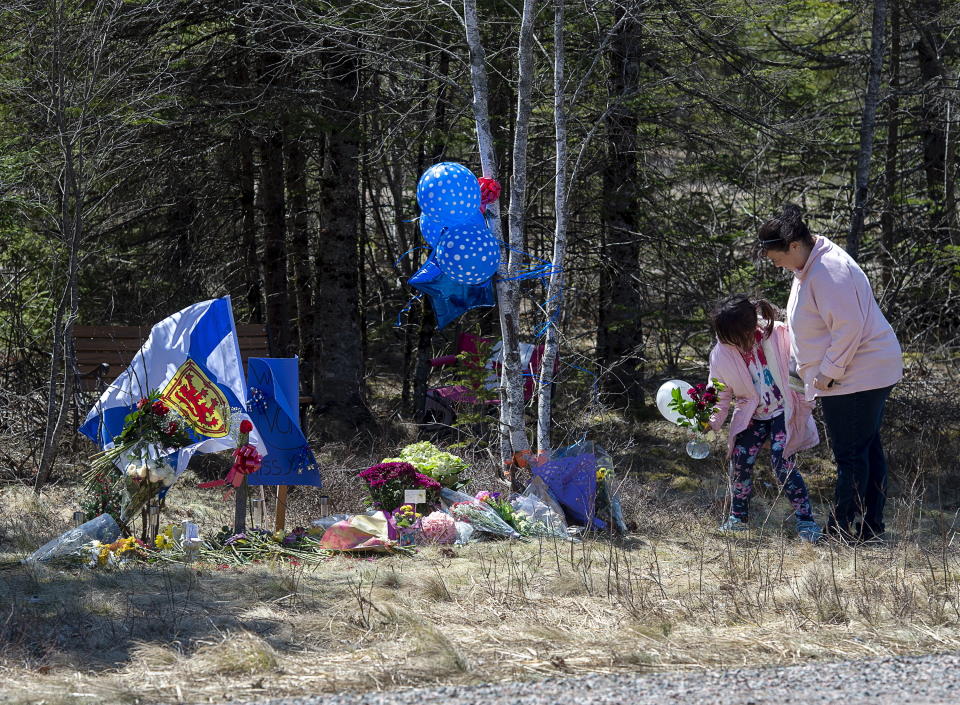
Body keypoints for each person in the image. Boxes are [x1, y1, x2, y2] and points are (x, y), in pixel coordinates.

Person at [758, 204, 903, 542]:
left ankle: (839, 530)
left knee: (851, 455)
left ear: (794, 245)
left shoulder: (828, 270)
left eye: (773, 254)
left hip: (857, 375)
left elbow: (848, 328)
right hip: (854, 373)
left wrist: (826, 374)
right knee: (865, 449)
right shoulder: (810, 265)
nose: (771, 261)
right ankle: (870, 528)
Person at [708, 294, 822, 542]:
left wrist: (806, 401)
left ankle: (806, 521)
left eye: (738, 336)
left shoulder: (778, 335)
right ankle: (738, 517)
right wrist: (711, 419)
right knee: (740, 458)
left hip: (785, 408)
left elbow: (801, 368)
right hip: (753, 414)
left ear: (750, 326)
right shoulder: (721, 353)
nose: (736, 343)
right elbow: (719, 391)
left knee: (782, 461)